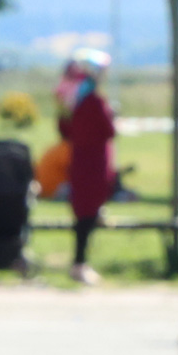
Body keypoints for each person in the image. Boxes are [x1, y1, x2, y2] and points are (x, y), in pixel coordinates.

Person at [56, 48, 119, 286]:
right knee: (87, 215)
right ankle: (79, 263)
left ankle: (79, 262)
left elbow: (64, 131)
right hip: (94, 164)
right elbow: (109, 131)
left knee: (83, 211)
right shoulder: (94, 100)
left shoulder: (70, 102)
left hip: (79, 162)